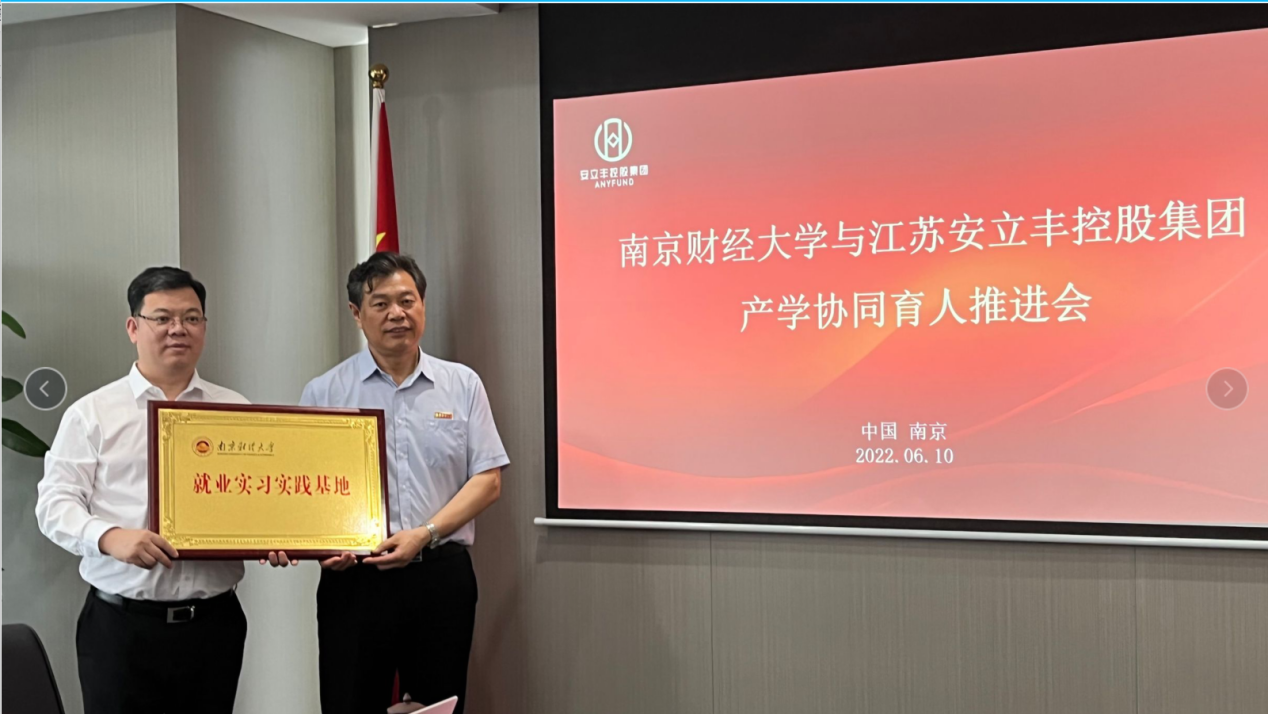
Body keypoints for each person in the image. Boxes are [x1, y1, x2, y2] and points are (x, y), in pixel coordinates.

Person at [298, 252, 509, 714]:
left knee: (438, 705)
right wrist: (318, 544)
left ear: (423, 305)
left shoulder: (461, 384)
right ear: (357, 314)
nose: (397, 313)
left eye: (407, 301)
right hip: (355, 580)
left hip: (440, 575)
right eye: (381, 304)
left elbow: (488, 480)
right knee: (349, 703)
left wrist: (424, 534)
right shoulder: (325, 393)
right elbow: (307, 489)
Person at [35, 267, 252, 714]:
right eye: (163, 318)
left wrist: (278, 536)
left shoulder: (237, 411)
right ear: (134, 327)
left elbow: (258, 498)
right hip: (120, 628)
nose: (178, 329)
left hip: (214, 626)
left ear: (204, 327)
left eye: (191, 318)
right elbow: (54, 504)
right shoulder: (93, 413)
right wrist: (109, 537)